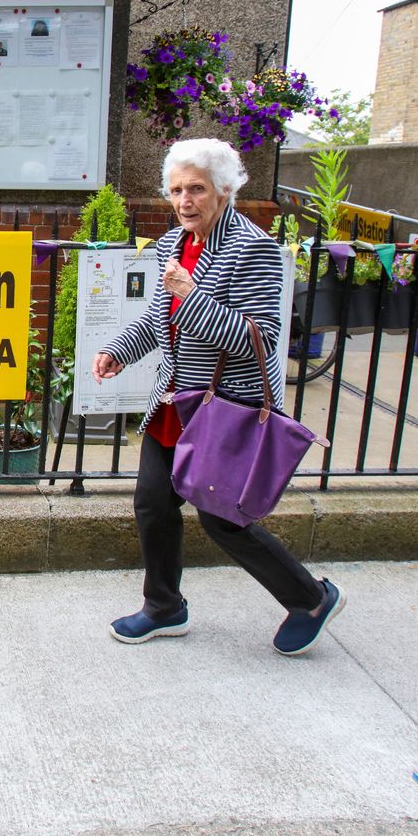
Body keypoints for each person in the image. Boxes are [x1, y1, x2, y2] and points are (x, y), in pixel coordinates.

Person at [91, 138, 344, 656]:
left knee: (222, 518)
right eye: (177, 189)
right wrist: (121, 351)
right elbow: (162, 319)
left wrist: (190, 293)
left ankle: (311, 598)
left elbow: (257, 337)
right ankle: (164, 608)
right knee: (153, 506)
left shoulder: (252, 248)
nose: (184, 200)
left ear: (224, 190)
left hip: (226, 404)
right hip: (177, 402)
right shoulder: (171, 245)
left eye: (197, 189)